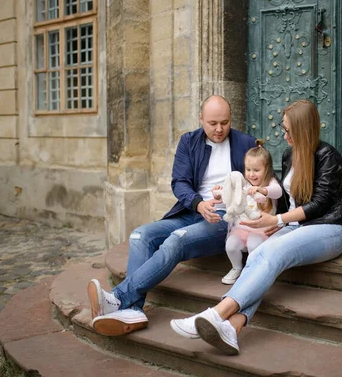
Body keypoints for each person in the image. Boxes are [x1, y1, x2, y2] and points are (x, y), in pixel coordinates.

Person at [169, 99, 342, 354]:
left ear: (302, 129)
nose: (283, 134)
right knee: (258, 254)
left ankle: (216, 313)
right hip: (296, 225)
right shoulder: (290, 155)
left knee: (272, 253)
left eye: (288, 130)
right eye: (283, 128)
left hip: (329, 228)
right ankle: (233, 328)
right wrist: (270, 215)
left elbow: (319, 205)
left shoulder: (327, 156)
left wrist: (277, 221)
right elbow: (286, 201)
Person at [87, 95, 256, 336]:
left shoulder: (246, 143)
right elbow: (179, 182)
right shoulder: (189, 141)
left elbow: (261, 181)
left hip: (225, 220)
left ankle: (117, 298)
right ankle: (133, 310)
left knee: (177, 239)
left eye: (225, 122)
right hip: (191, 211)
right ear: (201, 119)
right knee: (140, 236)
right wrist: (198, 204)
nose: (219, 129)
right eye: (212, 123)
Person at [211, 140, 283, 285]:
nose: (251, 174)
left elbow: (278, 192)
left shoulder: (270, 183)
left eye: (256, 170)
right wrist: (219, 195)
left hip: (261, 230)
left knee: (253, 244)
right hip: (241, 229)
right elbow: (229, 200)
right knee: (231, 245)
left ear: (267, 169)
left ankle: (254, 271)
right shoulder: (242, 184)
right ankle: (236, 268)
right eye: (248, 170)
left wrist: (262, 190)